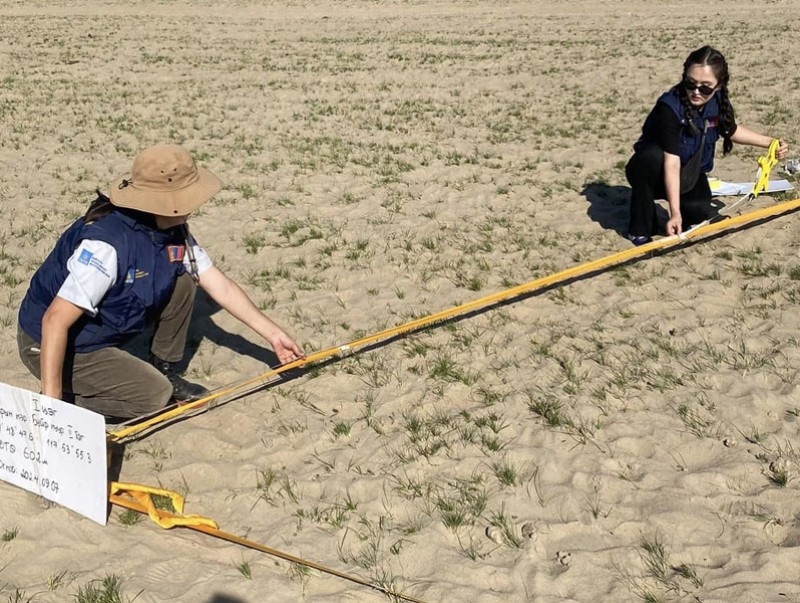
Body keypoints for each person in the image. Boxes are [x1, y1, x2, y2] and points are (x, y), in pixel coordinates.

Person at [17, 144, 304, 420]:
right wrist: (51, 408)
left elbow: (220, 286)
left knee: (184, 279)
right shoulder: (107, 245)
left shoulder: (172, 230)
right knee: (153, 398)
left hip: (103, 329)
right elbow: (54, 321)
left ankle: (162, 365)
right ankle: (70, 402)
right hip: (52, 345)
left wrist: (274, 335)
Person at [625, 45, 789, 245]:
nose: (696, 92)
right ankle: (640, 227)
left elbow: (731, 130)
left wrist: (770, 143)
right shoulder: (669, 107)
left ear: (718, 85)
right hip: (654, 170)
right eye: (690, 83)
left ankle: (679, 218)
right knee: (651, 157)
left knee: (698, 209)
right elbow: (672, 163)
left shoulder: (718, 102)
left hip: (688, 171)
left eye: (704, 87)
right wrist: (674, 213)